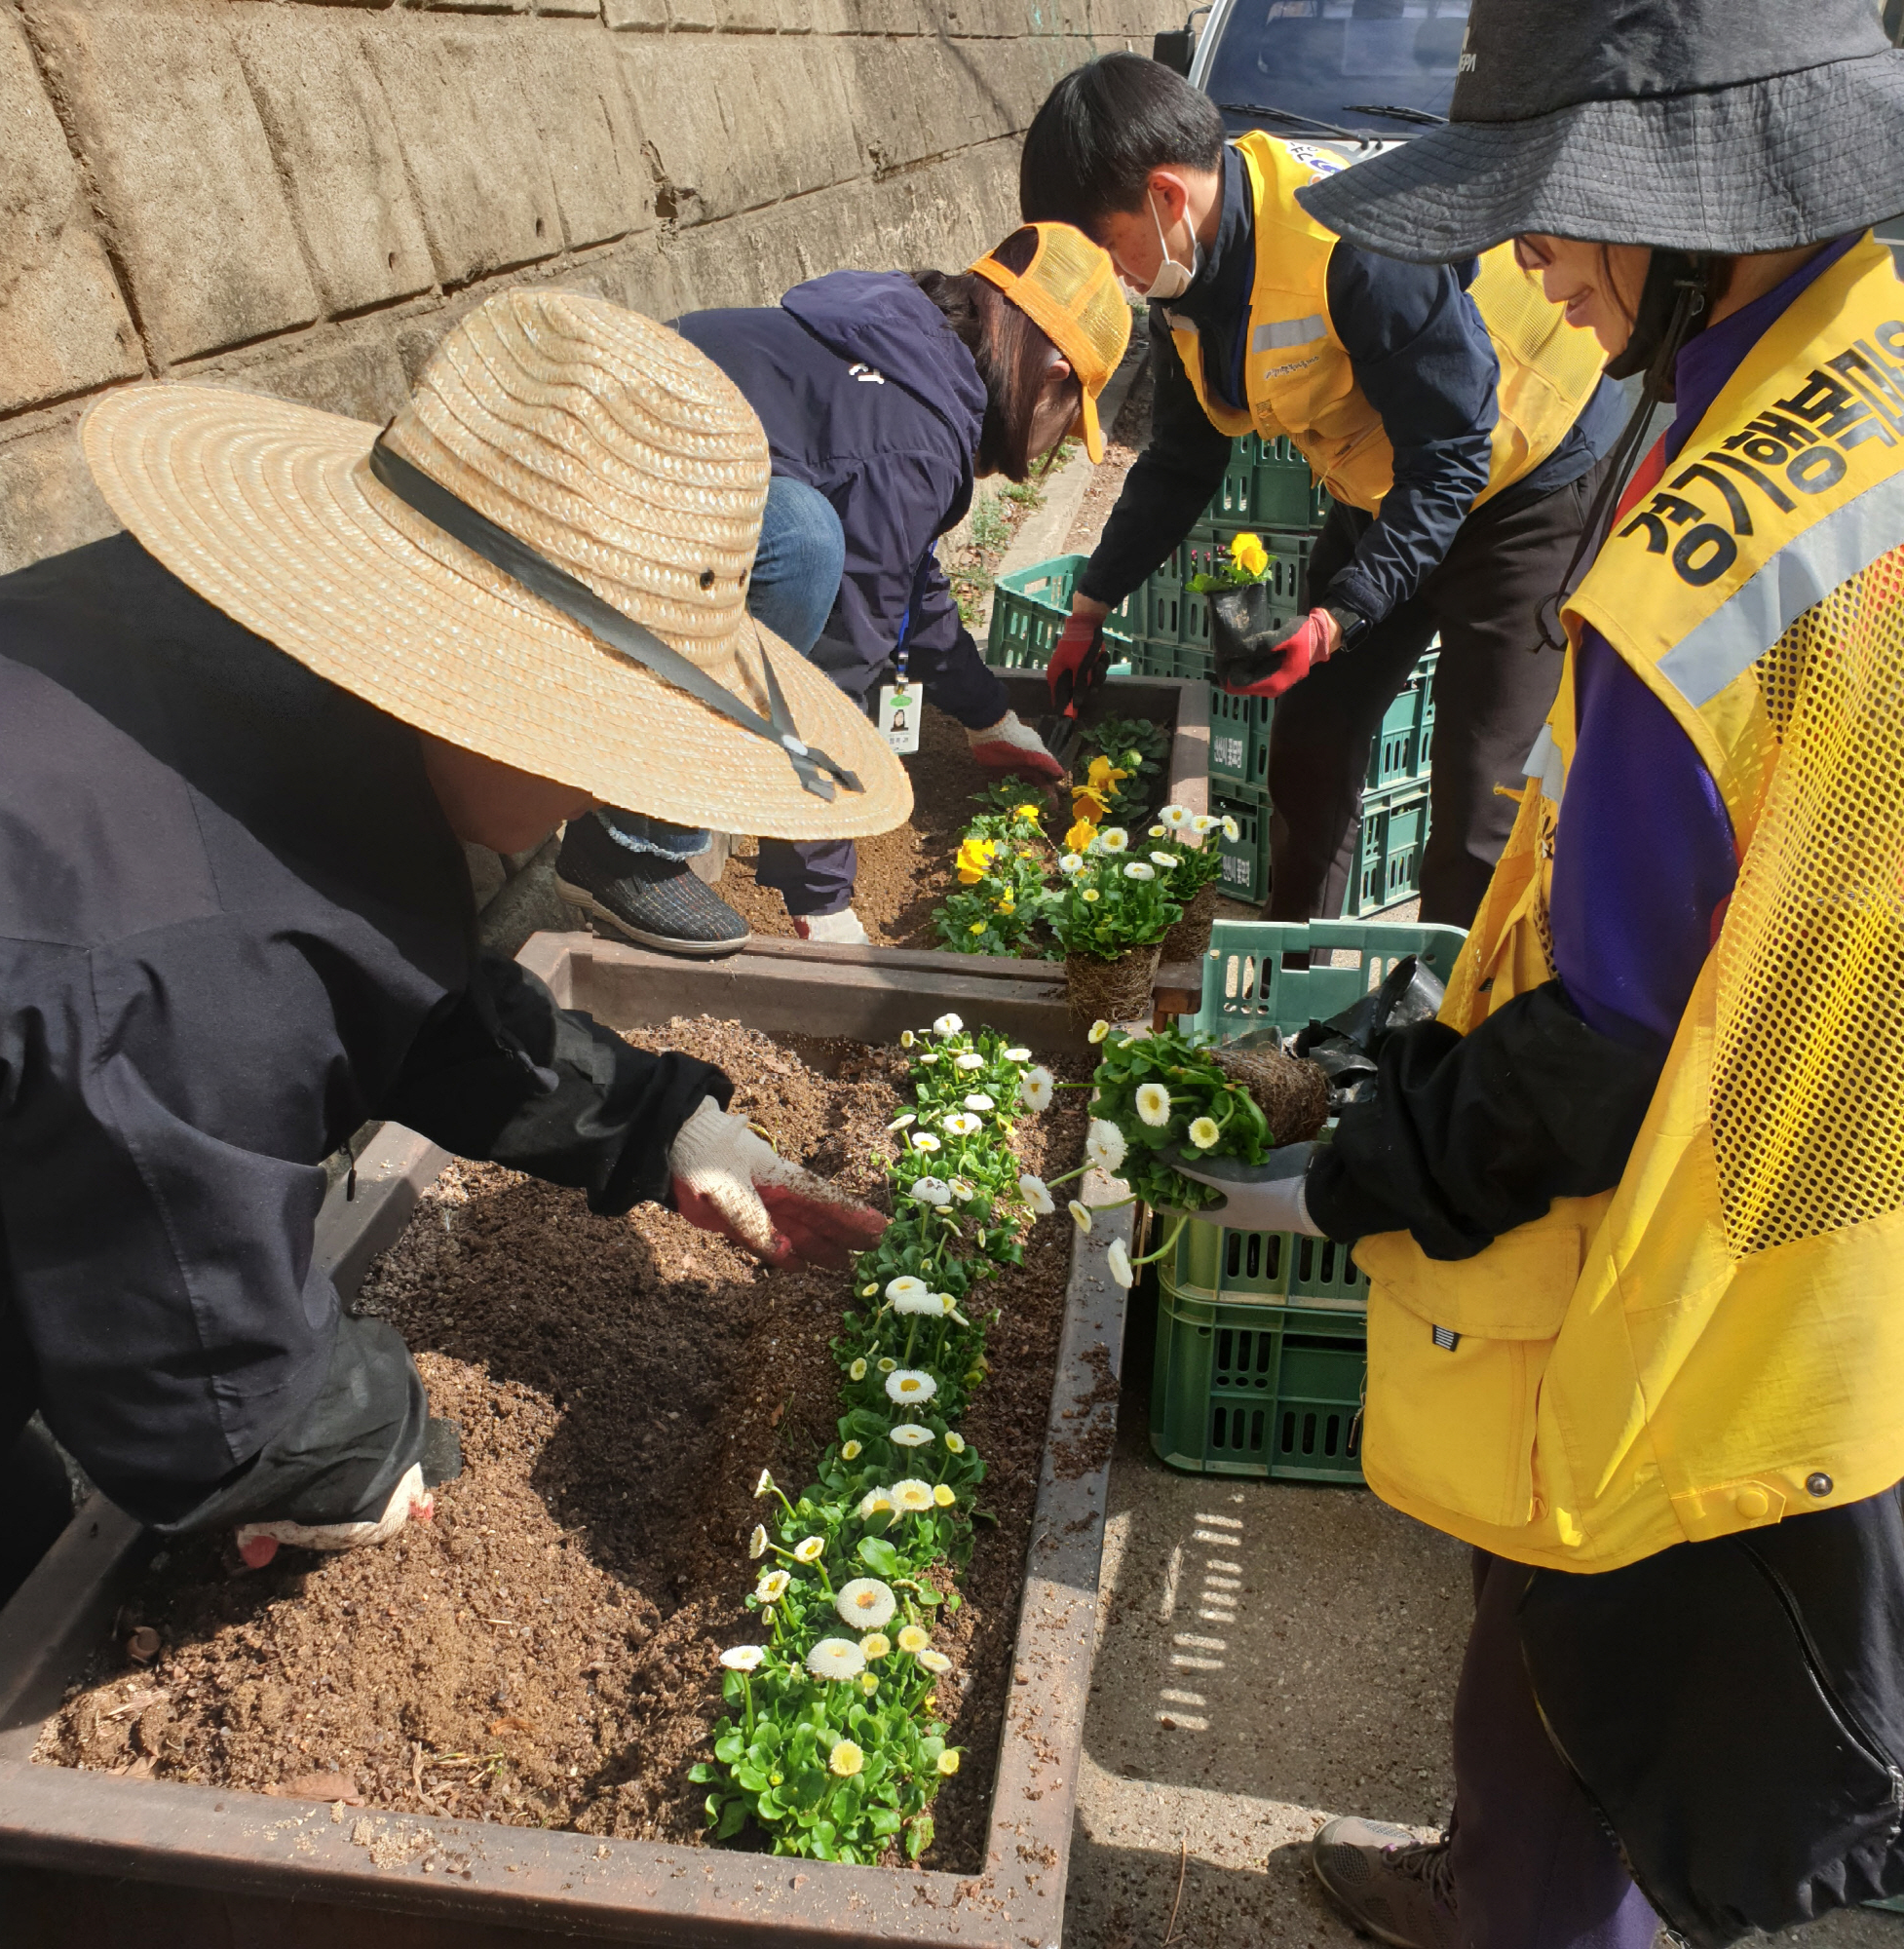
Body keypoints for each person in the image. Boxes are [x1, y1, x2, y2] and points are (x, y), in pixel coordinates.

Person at [1176, 1, 1904, 1942]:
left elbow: (1613, 1053)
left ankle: (1525, 1906)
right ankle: (1498, 1875)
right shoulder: (1850, 351)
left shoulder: (1705, 584)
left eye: (1564, 209)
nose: (1532, 264)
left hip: (1744, 1256)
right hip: (1853, 1162)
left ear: (1705, 199)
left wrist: (1377, 1136)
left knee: (1607, 1619)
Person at [0, 289, 902, 1654]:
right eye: (610, 747)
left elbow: (370, 964)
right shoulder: (186, 949)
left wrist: (657, 1126)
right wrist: (364, 1448)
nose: (593, 803)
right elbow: (205, 1391)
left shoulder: (230, 657)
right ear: (494, 693)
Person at [1018, 54, 1619, 929]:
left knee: (1480, 800)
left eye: (1108, 248)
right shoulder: (1188, 280)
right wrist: (1089, 607)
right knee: (1310, 740)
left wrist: (1342, 615)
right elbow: (1181, 464)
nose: (1114, 278)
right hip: (1388, 483)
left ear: (1165, 196)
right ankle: (1286, 999)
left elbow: (1453, 456)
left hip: (1529, 486)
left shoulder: (1355, 245)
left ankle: (1438, 1035)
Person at [552, 224, 1131, 952]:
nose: (1051, 444)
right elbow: (834, 666)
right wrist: (822, 900)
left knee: (807, 535)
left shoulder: (904, 351)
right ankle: (626, 846)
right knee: (801, 545)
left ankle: (643, 825)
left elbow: (904, 578)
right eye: (1069, 422)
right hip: (572, 520)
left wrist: (989, 718)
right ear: (1051, 373)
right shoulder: (912, 440)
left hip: (584, 465)